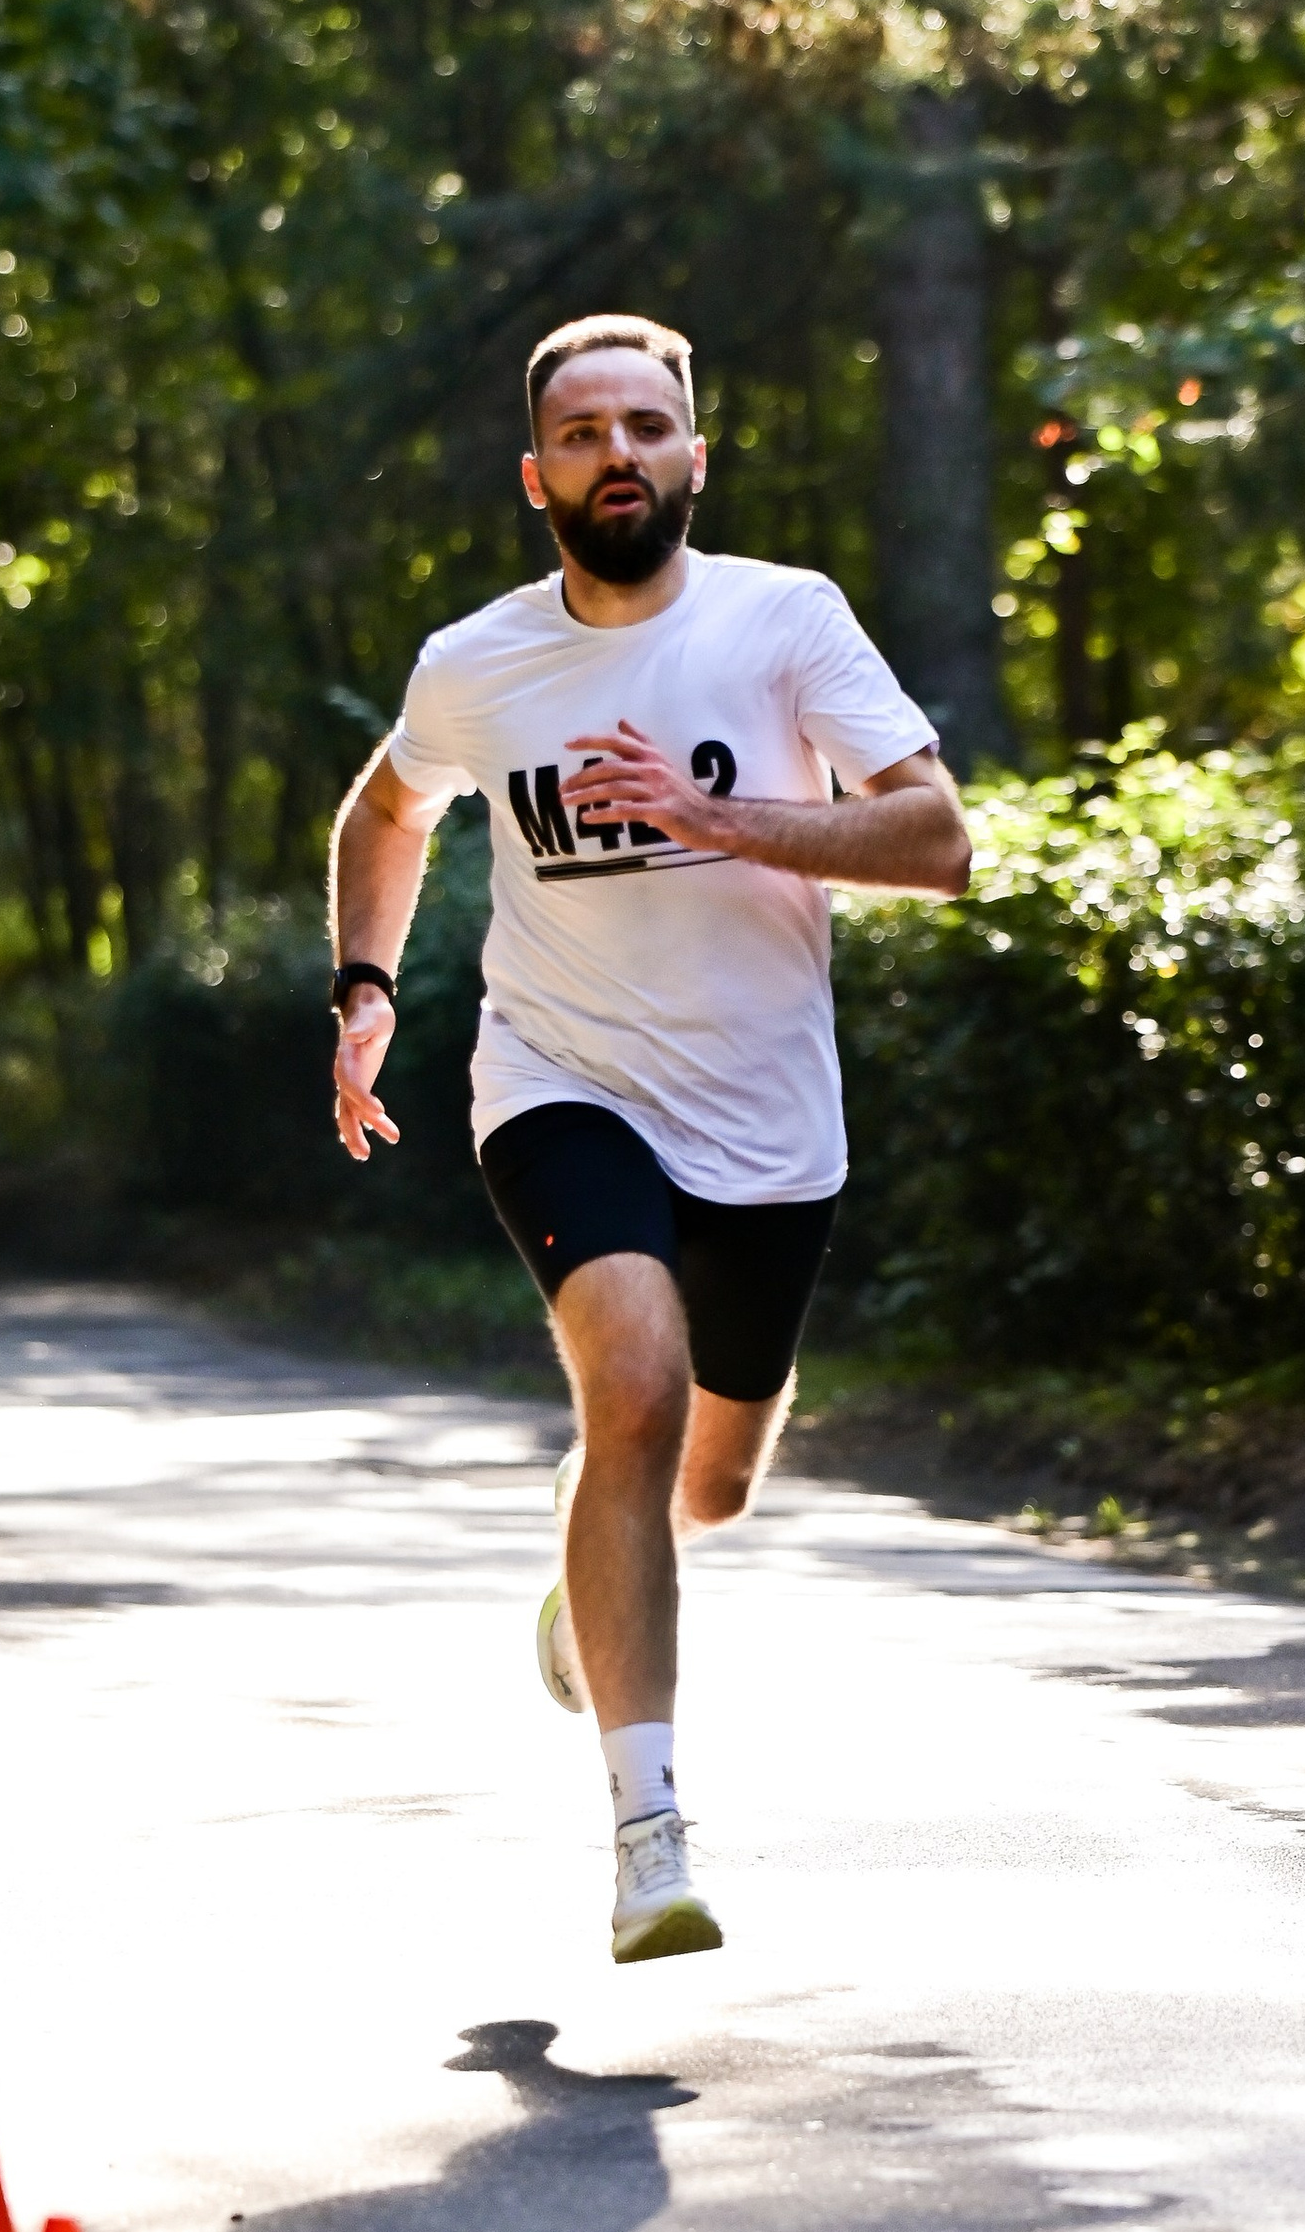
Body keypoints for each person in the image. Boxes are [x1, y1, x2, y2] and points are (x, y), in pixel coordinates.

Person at [326, 312, 973, 1961]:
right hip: (560, 1076)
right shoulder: (477, 663)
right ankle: (649, 1833)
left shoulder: (784, 624)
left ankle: (587, 1576)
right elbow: (388, 809)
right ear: (535, 473)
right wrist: (366, 986)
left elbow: (941, 840)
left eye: (648, 427)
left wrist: (722, 818)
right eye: (585, 431)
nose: (619, 452)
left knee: (714, 1481)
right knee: (631, 1385)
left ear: (696, 455)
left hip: (766, 1119)